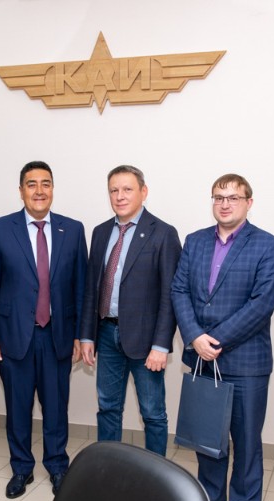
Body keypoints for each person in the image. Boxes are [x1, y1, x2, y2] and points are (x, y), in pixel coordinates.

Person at [171, 173, 274, 501]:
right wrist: (194, 336)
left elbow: (262, 304)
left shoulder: (268, 245)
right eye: (218, 197)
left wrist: (214, 340)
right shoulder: (195, 241)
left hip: (246, 361)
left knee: (247, 439)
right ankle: (211, 498)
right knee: (207, 434)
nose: (225, 203)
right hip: (201, 355)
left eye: (233, 197)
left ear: (249, 202)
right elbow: (179, 290)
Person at [0, 161, 87, 498]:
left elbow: (82, 289)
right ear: (21, 190)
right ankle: (21, 468)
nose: (39, 190)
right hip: (13, 336)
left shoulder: (73, 229)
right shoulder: (0, 228)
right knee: (18, 408)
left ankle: (57, 466)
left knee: (56, 408)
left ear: (53, 189)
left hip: (57, 335)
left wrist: (80, 336)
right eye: (31, 184)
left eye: (46, 183)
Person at [79, 165, 182, 456]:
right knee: (108, 408)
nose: (120, 196)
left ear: (143, 192)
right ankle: (108, 469)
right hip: (106, 333)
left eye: (127, 189)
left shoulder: (163, 233)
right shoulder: (101, 232)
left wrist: (161, 345)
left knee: (152, 413)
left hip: (146, 342)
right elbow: (91, 288)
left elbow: (170, 295)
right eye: (114, 190)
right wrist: (87, 336)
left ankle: (156, 475)